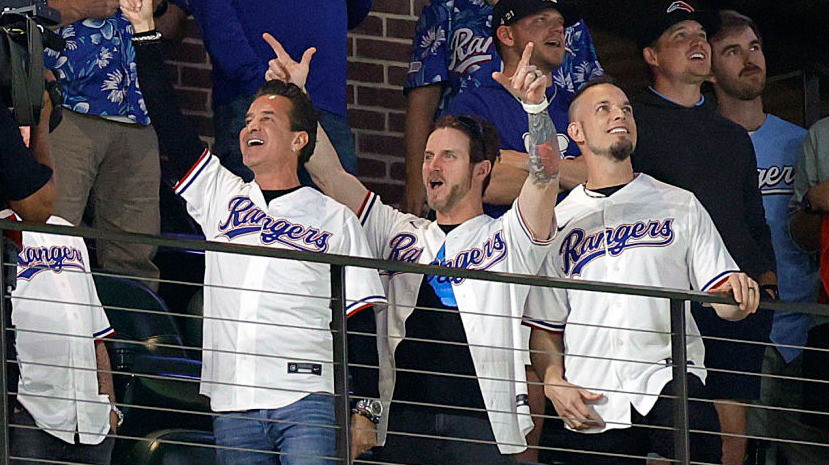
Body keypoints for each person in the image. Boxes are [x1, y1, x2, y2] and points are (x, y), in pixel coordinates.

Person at [120, 1, 387, 464]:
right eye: (247, 121)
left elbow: (359, 319)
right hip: (235, 403)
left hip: (310, 399)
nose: (251, 127)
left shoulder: (334, 217)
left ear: (299, 139)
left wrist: (364, 408)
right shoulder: (221, 195)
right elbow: (169, 121)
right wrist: (144, 32)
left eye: (266, 120)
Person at [299, 29, 561, 460]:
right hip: (404, 423)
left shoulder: (508, 235)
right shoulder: (399, 230)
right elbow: (331, 177)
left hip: (482, 427)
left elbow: (546, 176)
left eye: (448, 156)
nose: (432, 165)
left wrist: (536, 109)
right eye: (427, 156)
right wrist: (300, 102)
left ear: (482, 171)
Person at [530, 76, 760, 465]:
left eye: (626, 109)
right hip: (593, 396)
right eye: (603, 108)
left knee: (697, 442)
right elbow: (545, 327)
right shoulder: (558, 222)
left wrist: (740, 294)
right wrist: (553, 381)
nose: (619, 115)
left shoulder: (679, 203)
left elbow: (724, 297)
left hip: (670, 377)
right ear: (576, 132)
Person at [629, 3, 777, 462]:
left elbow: (752, 218)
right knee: (669, 431)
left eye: (700, 35)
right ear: (652, 56)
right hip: (664, 300)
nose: (697, 43)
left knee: (731, 428)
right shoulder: (631, 120)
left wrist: (768, 283)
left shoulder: (730, 134)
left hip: (734, 296)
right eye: (681, 35)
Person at [705, 10, 827, 464]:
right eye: (731, 51)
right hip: (738, 320)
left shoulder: (802, 141)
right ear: (709, 67)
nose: (748, 58)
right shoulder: (704, 146)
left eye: (753, 47)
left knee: (809, 450)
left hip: (805, 319)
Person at [402, 0, 603, 215]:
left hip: (574, 240)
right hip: (496, 242)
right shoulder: (474, 105)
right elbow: (484, 185)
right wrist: (571, 179)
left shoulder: (577, 106)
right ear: (507, 35)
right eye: (541, 20)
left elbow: (604, 175)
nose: (558, 30)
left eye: (560, 23)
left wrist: (522, 161)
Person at [43, 0, 163, 290]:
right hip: (67, 103)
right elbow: (18, 10)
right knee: (51, 239)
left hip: (138, 107)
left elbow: (169, 17)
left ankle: (129, 333)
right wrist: (82, 7)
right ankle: (54, 328)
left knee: (135, 253)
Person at [187, 0, 371, 181]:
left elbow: (356, 10)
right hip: (255, 96)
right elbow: (211, 9)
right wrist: (252, 76)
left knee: (339, 204)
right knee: (258, 207)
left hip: (324, 99)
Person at [8, 214, 119, 465]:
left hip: (92, 424)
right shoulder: (5, 231)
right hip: (29, 416)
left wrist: (110, 406)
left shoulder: (69, 233)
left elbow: (96, 334)